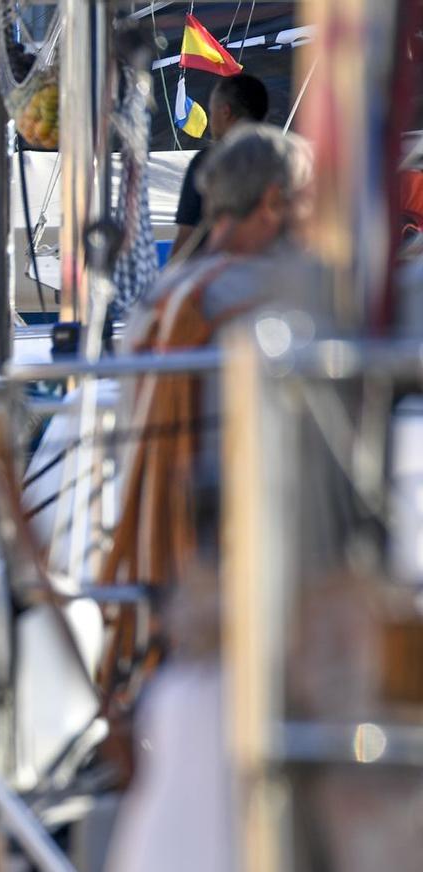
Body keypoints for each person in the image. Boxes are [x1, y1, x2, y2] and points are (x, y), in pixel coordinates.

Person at [102, 124, 315, 696]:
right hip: (241, 601)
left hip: (156, 592)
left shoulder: (158, 301)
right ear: (274, 202)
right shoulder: (274, 294)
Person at [171, 72, 271, 259]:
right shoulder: (293, 157)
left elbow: (187, 236)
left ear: (225, 111)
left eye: (211, 112)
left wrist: (170, 281)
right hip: (281, 280)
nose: (210, 122)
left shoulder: (209, 160)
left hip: (220, 279)